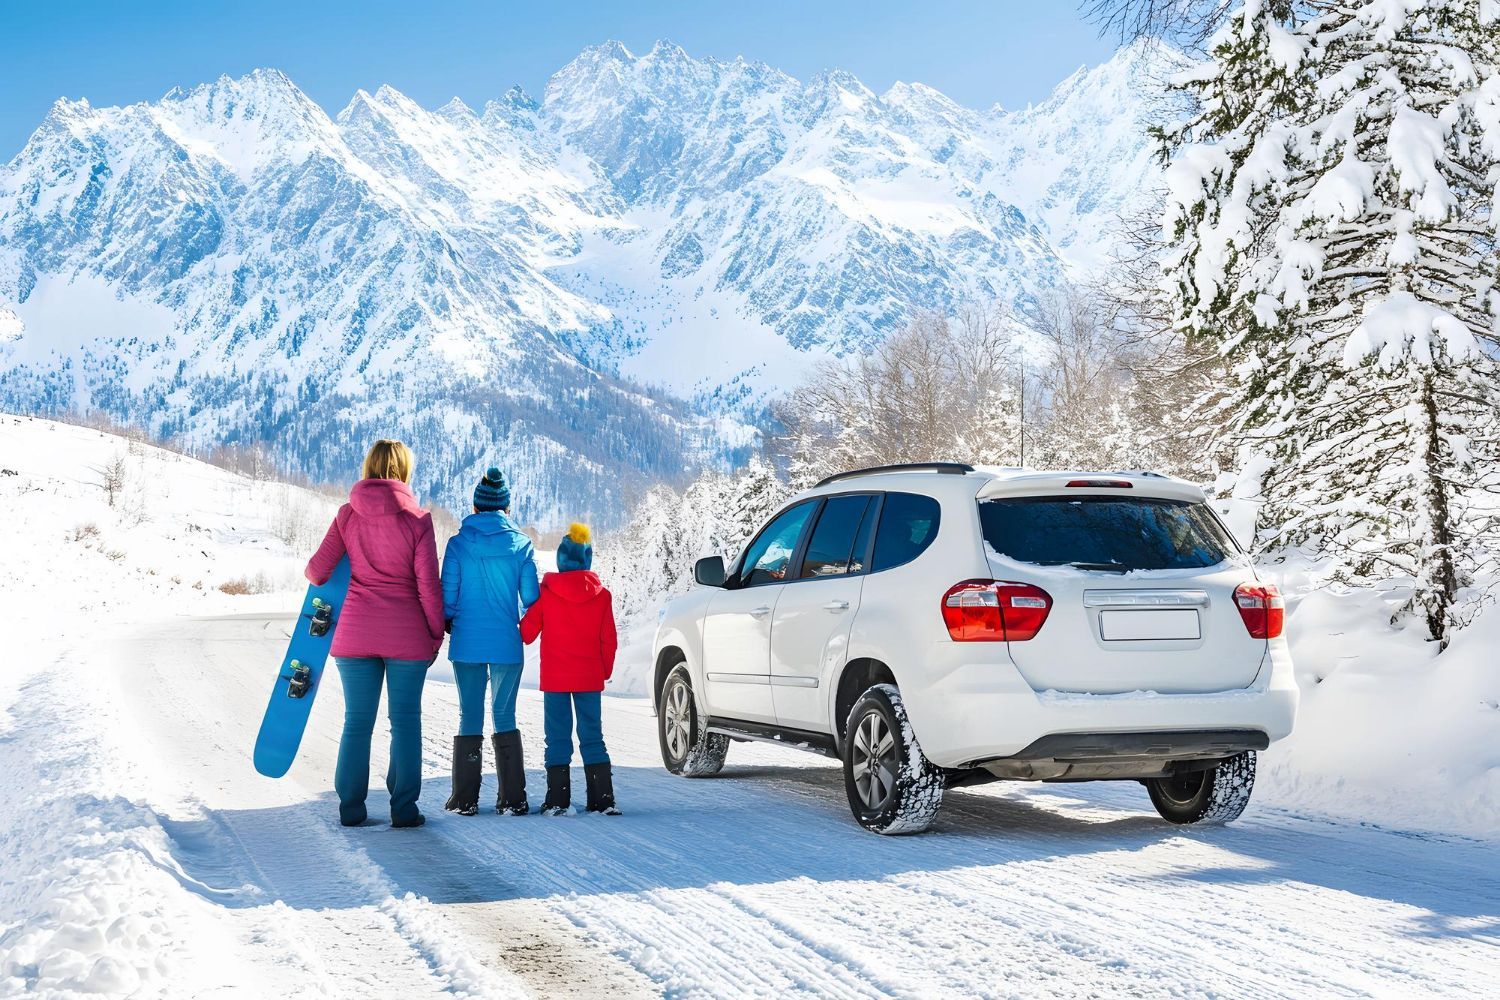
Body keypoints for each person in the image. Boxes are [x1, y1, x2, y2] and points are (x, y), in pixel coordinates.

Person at [305, 440, 444, 828]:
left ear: (369, 467)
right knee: (405, 721)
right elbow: (428, 587)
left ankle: (351, 808)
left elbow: (318, 572)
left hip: (354, 635)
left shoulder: (347, 515)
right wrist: (435, 634)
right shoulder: (418, 520)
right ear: (404, 471)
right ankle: (403, 809)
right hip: (406, 635)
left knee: (357, 721)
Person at [440, 467, 540, 816]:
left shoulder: (457, 544)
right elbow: (531, 598)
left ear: (476, 506)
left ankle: (464, 798)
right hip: (506, 645)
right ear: (506, 508)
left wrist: (451, 622)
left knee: (470, 714)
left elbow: (447, 600)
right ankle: (513, 798)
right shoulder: (522, 545)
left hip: (467, 642)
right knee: (504, 714)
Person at [520, 523, 620, 816]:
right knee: (592, 735)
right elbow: (609, 640)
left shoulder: (547, 593)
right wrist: (602, 671)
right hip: (589, 677)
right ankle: (602, 798)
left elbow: (527, 633)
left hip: (555, 679)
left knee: (557, 736)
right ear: (587, 558)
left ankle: (558, 799)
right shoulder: (602, 596)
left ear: (561, 559)